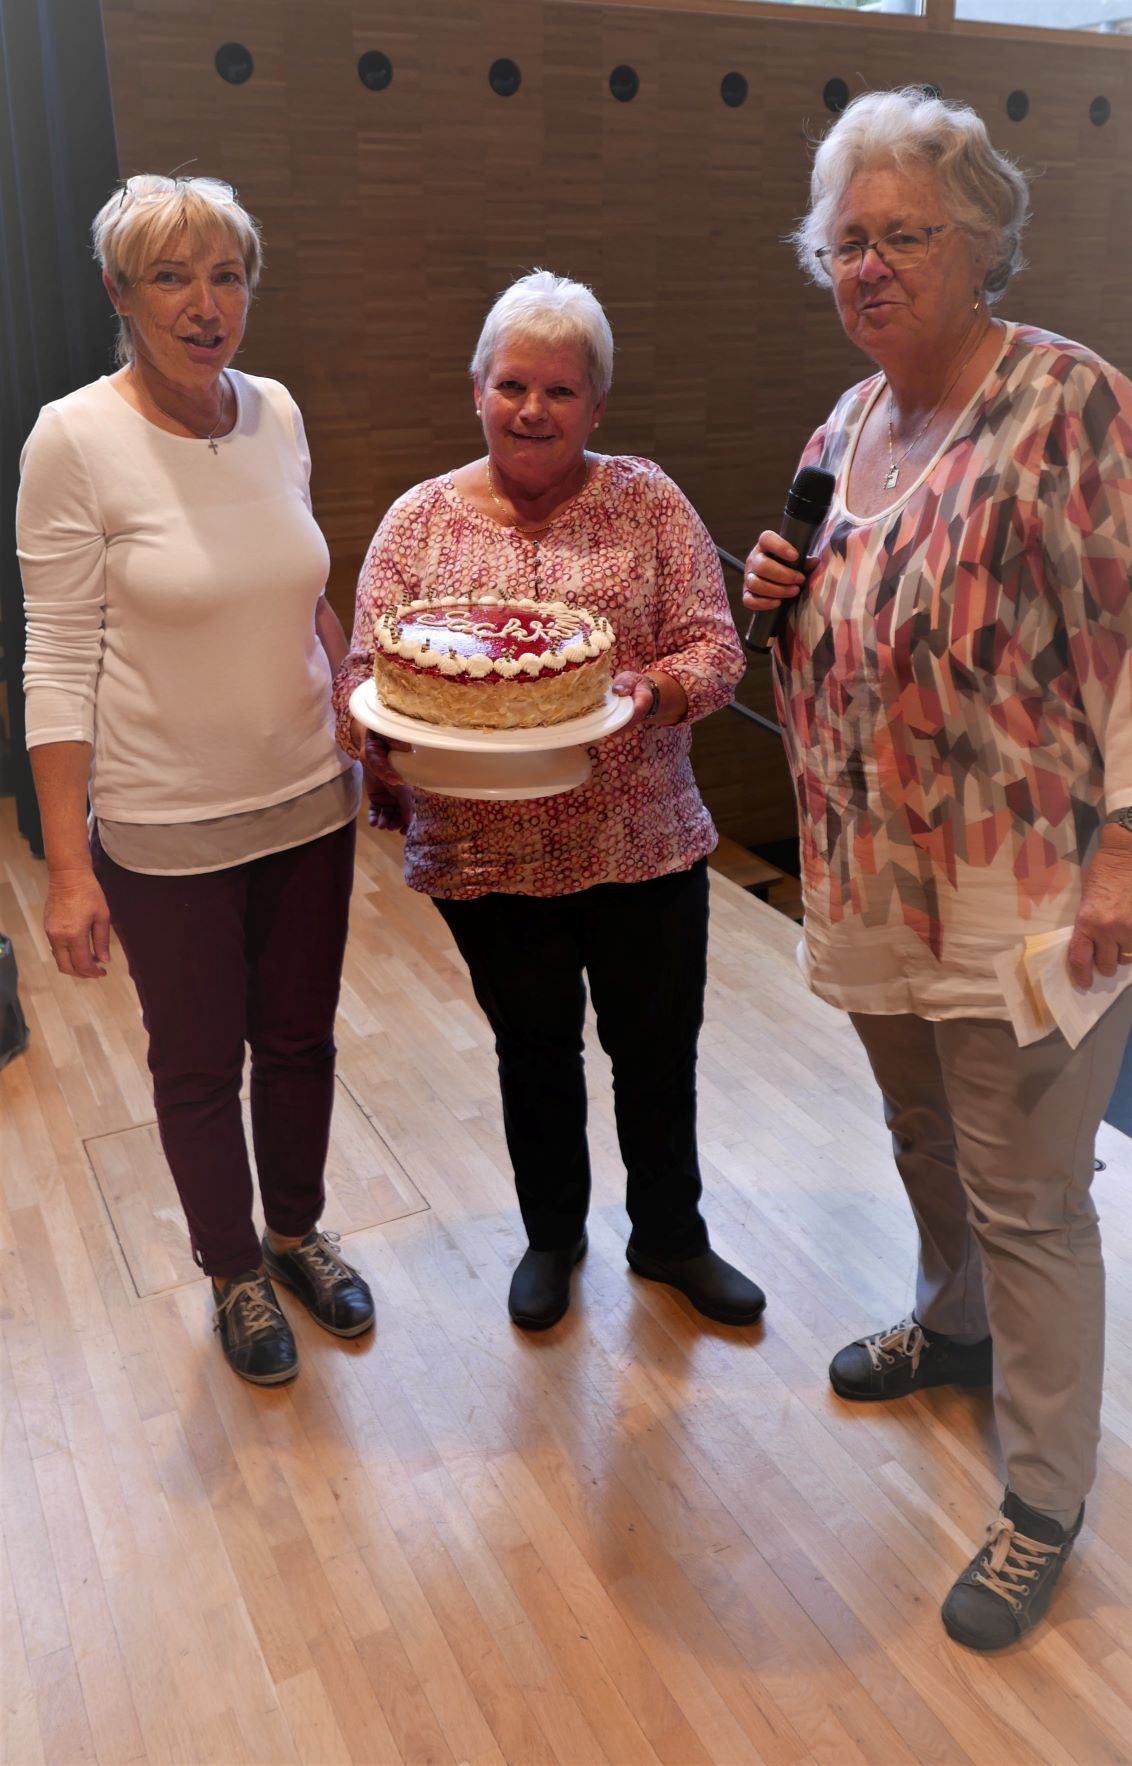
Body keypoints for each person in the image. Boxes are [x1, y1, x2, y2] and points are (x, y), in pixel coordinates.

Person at [742, 87, 1132, 1651]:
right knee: (921, 1133)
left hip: (1025, 883)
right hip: (870, 873)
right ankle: (953, 1326)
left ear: (980, 243)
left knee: (1029, 1195)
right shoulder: (846, 426)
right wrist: (776, 594)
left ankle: (1043, 1496)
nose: (871, 266)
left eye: (905, 235)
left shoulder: (1068, 402)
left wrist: (1127, 847)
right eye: (848, 241)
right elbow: (838, 633)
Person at [334, 270, 765, 1333]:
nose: (533, 410)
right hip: (486, 853)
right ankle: (552, 1234)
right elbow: (361, 678)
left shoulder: (647, 501)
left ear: (597, 405)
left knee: (655, 1051)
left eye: (561, 390)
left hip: (641, 837)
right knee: (532, 1053)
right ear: (476, 388)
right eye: (512, 385)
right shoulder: (417, 523)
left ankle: (670, 1236)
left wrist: (647, 693)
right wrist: (376, 734)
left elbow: (716, 649)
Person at [18, 173, 374, 1386]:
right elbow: (56, 659)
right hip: (166, 823)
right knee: (196, 1062)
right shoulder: (74, 439)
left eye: (226, 275)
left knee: (300, 1039)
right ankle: (232, 1267)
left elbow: (299, 588)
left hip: (310, 800)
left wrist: (355, 690)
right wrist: (70, 869)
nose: (204, 304)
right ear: (119, 293)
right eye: (171, 277)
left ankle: (296, 1233)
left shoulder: (275, 411)